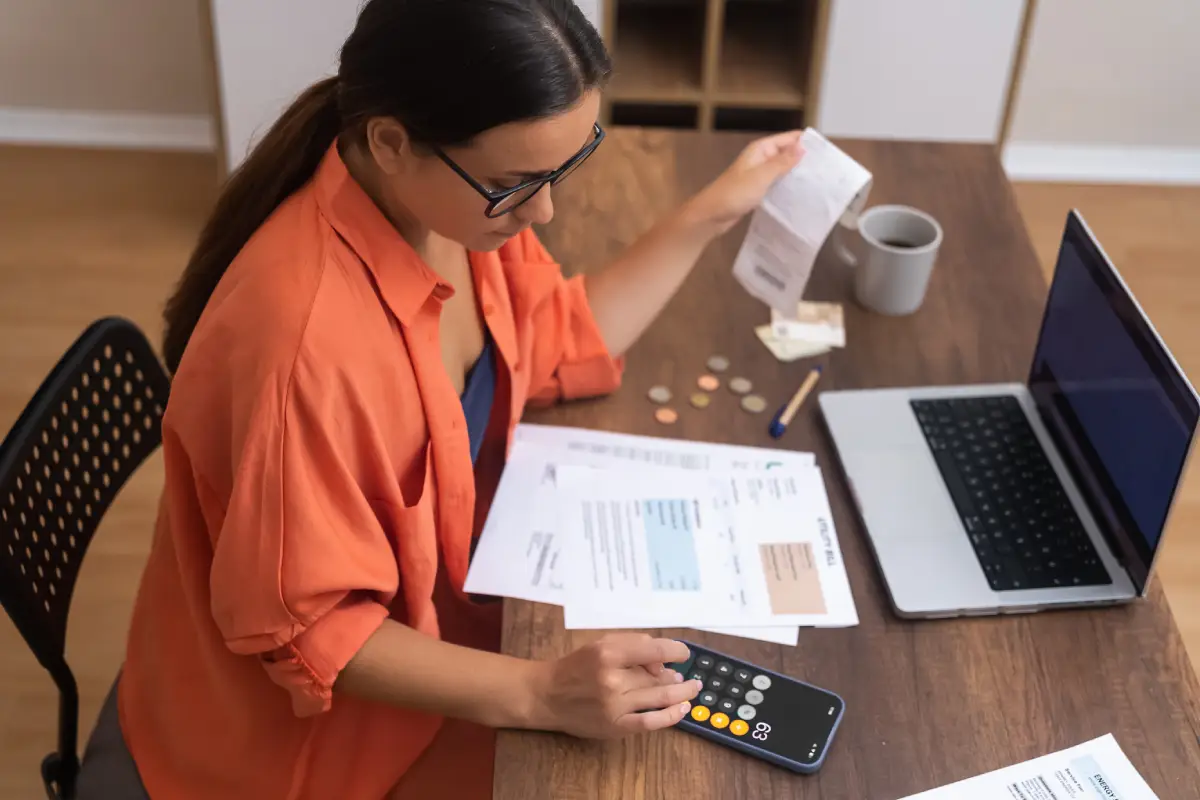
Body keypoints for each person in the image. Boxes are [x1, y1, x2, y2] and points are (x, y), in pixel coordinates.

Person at [97, 1, 805, 798]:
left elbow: (551, 340)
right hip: (309, 742)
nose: (544, 212)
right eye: (515, 185)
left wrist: (712, 211)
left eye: (562, 171)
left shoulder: (452, 216)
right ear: (391, 142)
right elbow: (312, 632)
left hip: (449, 621)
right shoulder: (301, 349)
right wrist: (542, 692)